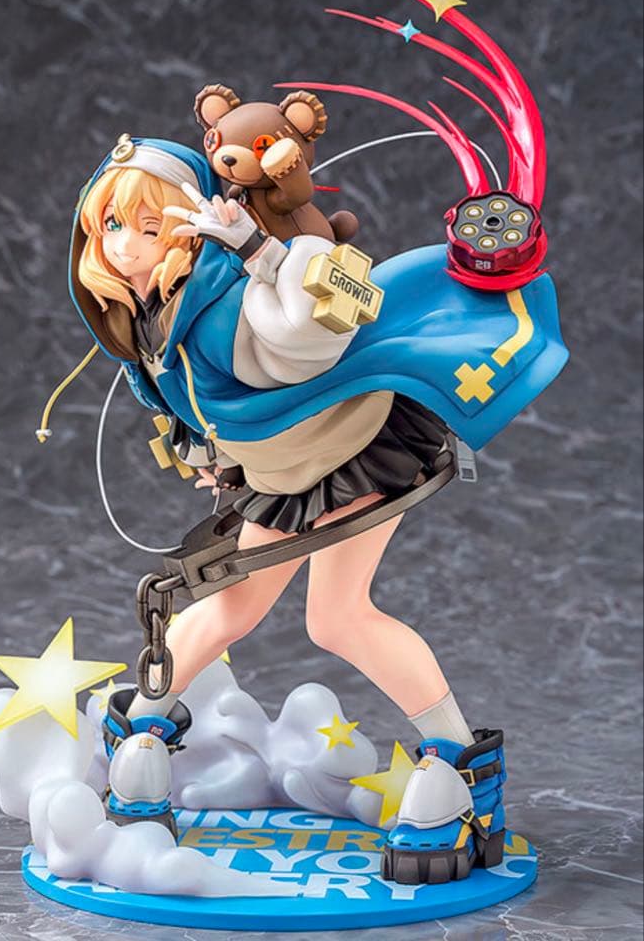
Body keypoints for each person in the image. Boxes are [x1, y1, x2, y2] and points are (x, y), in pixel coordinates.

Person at [66, 133, 567, 883]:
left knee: (337, 617)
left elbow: (312, 336)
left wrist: (257, 252)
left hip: (349, 449)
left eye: (151, 225)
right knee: (229, 606)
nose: (127, 245)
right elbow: (210, 401)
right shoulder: (149, 317)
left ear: (193, 225)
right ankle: (141, 731)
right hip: (282, 469)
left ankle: (461, 767)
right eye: (112, 225)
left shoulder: (221, 300)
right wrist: (216, 454)